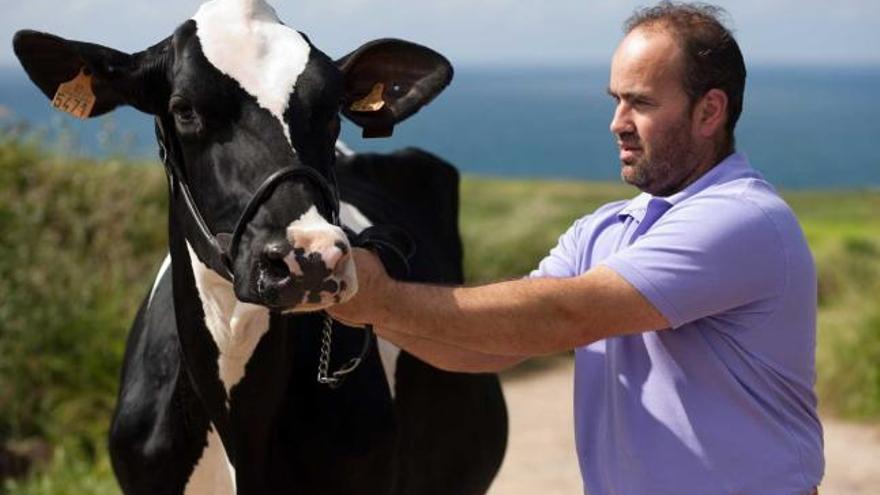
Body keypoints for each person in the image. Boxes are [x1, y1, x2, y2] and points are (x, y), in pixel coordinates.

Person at [329, 2, 824, 493]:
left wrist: (381, 297)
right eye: (616, 100)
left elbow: (565, 316)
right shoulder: (603, 229)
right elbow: (491, 345)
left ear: (709, 111)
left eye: (642, 102)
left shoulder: (741, 218)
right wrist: (358, 305)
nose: (618, 122)